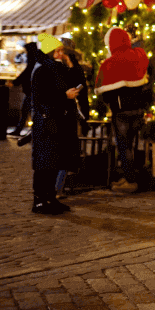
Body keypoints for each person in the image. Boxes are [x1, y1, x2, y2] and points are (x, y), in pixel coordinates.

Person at [28, 33, 81, 215]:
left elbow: (76, 80)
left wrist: (70, 63)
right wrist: (64, 96)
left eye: (61, 50)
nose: (60, 54)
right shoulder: (43, 70)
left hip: (57, 120)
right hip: (47, 122)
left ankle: (50, 197)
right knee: (45, 162)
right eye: (57, 51)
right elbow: (42, 97)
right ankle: (40, 200)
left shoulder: (57, 68)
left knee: (54, 161)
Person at [96, 27, 153, 193]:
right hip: (138, 110)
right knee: (134, 146)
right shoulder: (138, 56)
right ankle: (130, 177)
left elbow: (104, 91)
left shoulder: (110, 64)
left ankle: (130, 180)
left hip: (121, 112)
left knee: (124, 147)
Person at [53, 40, 87, 199]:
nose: (61, 55)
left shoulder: (68, 70)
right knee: (61, 154)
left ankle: (58, 188)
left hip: (67, 116)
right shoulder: (55, 69)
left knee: (64, 155)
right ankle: (56, 189)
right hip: (61, 117)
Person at [8, 42, 38, 136]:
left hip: (31, 91)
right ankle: (20, 130)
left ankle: (20, 130)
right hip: (32, 90)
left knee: (27, 111)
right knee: (27, 111)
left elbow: (26, 73)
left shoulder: (32, 60)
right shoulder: (36, 59)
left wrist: (15, 82)